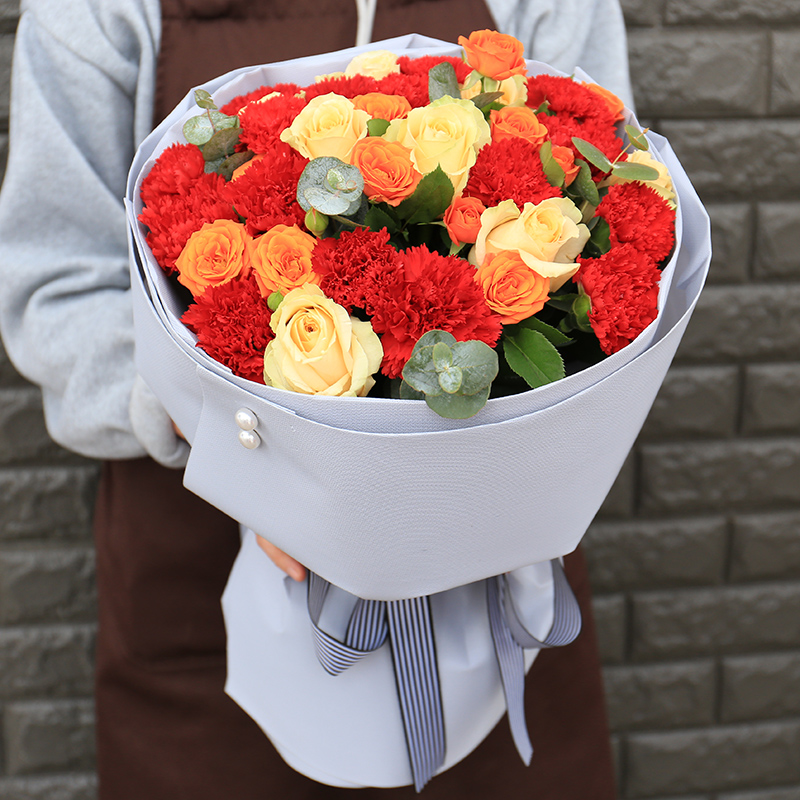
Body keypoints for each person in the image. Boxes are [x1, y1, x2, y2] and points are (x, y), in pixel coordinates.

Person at [0, 1, 632, 798]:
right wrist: (233, 439)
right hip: (206, 605)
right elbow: (54, 289)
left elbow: (608, 214)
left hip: (496, 600)